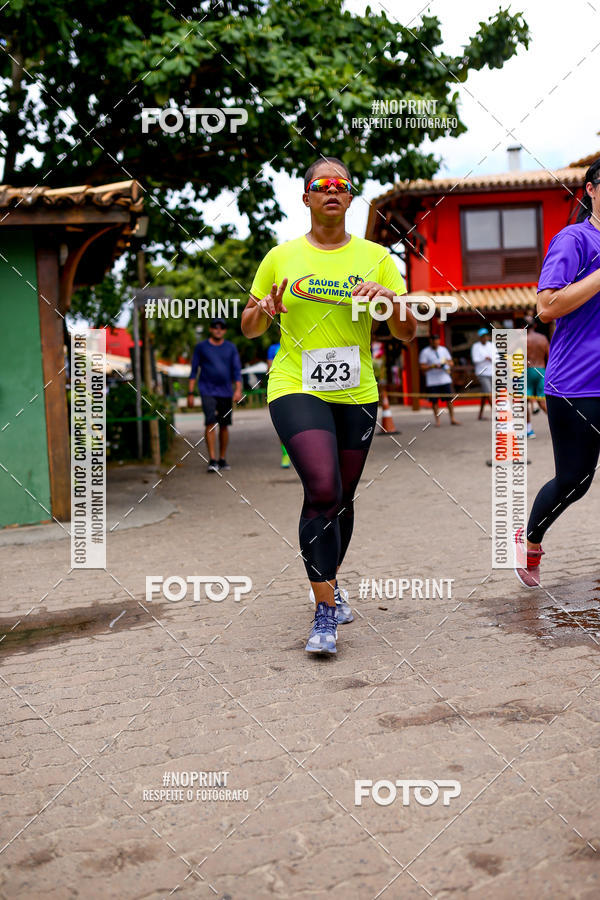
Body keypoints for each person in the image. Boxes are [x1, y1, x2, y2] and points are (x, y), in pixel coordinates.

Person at [241, 156, 416, 654]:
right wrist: (263, 310)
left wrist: (392, 302)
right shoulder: (280, 257)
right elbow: (249, 326)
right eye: (323, 184)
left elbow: (407, 332)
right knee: (322, 488)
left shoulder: (378, 258)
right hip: (296, 383)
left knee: (342, 496)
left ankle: (330, 582)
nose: (332, 190)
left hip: (356, 391)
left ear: (351, 196)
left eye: (342, 184)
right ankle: (323, 612)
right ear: (307, 197)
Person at [515, 158, 600, 587]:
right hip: (578, 385)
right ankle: (529, 539)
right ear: (591, 190)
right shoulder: (575, 239)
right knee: (575, 480)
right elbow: (546, 307)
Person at [187, 318, 242, 473]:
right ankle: (212, 459)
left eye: (221, 327)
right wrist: (190, 393)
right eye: (215, 327)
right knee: (210, 422)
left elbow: (236, 370)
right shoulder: (201, 347)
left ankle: (222, 458)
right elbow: (194, 370)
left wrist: (238, 390)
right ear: (210, 329)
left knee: (224, 425)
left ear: (225, 330)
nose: (218, 329)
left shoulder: (230, 348)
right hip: (207, 390)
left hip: (226, 391)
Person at [419, 333, 460, 426]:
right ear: (430, 341)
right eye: (433, 341)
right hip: (432, 381)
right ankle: (437, 420)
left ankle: (452, 418)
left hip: (444, 379)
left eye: (437, 341)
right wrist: (432, 366)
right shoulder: (425, 352)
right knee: (434, 401)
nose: (435, 343)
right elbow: (422, 367)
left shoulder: (444, 350)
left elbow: (451, 362)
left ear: (439, 341)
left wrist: (446, 364)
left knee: (449, 400)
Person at [266, 332, 290, 468]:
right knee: (284, 425)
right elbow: (270, 369)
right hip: (283, 388)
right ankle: (285, 454)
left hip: (304, 387)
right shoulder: (273, 348)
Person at [524, 314, 549, 438]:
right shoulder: (543, 338)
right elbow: (550, 356)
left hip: (527, 370)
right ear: (535, 325)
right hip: (541, 371)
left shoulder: (522, 339)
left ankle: (529, 430)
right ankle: (561, 427)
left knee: (524, 402)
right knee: (543, 402)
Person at [471, 327, 494, 420]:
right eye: (482, 336)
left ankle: (480, 415)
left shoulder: (492, 345)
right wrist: (485, 358)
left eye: (485, 336)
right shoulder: (475, 346)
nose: (484, 338)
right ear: (480, 337)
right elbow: (475, 359)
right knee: (489, 392)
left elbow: (497, 357)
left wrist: (491, 358)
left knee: (485, 394)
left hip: (492, 372)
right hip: (482, 373)